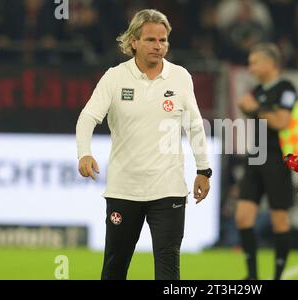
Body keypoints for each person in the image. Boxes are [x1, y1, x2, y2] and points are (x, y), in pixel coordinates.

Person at [75, 9, 212, 280]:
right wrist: (84, 153)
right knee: (115, 267)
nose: (158, 46)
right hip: (125, 190)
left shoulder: (180, 76)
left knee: (168, 269)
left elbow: (194, 125)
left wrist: (203, 169)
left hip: (169, 190)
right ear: (134, 41)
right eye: (151, 40)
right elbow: (87, 118)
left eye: (163, 40)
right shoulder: (115, 77)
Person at [235, 43, 297, 280]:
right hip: (256, 156)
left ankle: (278, 275)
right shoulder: (257, 90)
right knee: (242, 216)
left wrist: (255, 108)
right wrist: (250, 108)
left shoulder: (285, 88)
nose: (250, 68)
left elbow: (282, 122)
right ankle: (252, 276)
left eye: (254, 62)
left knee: (279, 219)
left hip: (276, 159)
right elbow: (252, 109)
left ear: (270, 63)